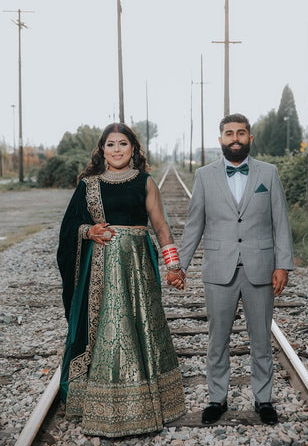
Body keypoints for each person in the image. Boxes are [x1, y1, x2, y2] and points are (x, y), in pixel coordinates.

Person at [57, 123, 186, 438]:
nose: (116, 150)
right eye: (110, 144)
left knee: (140, 327)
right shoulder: (88, 185)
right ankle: (101, 403)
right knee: (107, 329)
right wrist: (89, 231)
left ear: (134, 149)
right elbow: (69, 227)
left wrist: (173, 266)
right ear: (102, 150)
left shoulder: (145, 182)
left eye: (123, 144)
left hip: (137, 268)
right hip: (99, 270)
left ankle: (148, 402)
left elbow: (161, 227)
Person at [177, 113, 293, 426]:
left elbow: (280, 222)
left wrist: (283, 265)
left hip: (261, 268)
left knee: (261, 340)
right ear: (221, 140)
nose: (235, 138)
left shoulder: (268, 173)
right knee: (217, 339)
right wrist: (180, 266)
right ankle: (217, 398)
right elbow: (194, 226)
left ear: (249, 138)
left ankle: (263, 399)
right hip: (218, 270)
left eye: (241, 133)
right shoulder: (204, 176)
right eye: (229, 133)